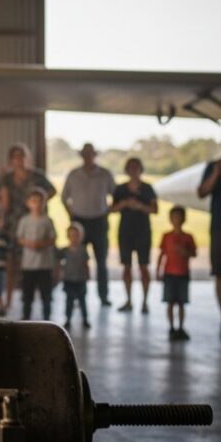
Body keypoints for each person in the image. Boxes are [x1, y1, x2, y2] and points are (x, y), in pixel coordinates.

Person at [0, 143, 56, 310]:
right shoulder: (6, 178)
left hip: (34, 223)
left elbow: (52, 190)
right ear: (11, 160)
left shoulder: (37, 176)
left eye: (21, 156)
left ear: (26, 158)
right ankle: (8, 299)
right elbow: (1, 199)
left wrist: (38, 204)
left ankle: (35, 300)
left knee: (34, 263)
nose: (18, 160)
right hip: (13, 224)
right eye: (14, 157)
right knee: (11, 263)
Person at [60, 143, 115, 307]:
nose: (88, 156)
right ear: (82, 156)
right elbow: (64, 197)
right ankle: (77, 296)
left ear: (94, 155)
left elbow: (115, 195)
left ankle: (103, 296)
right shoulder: (73, 174)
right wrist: (71, 215)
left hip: (99, 221)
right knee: (76, 260)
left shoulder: (105, 174)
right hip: (79, 222)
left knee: (101, 263)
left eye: (90, 153)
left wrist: (107, 211)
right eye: (85, 154)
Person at [111, 157, 158, 313]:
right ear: (127, 170)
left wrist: (139, 206)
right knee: (127, 266)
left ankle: (145, 301)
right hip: (125, 231)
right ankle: (129, 300)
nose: (133, 170)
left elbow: (154, 209)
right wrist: (124, 204)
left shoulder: (147, 188)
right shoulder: (120, 189)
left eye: (136, 167)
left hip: (143, 231)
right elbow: (112, 209)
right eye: (130, 167)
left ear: (140, 169)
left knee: (144, 266)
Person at [157, 206, 197, 341]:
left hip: (182, 273)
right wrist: (158, 271)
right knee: (170, 302)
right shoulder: (166, 236)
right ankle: (171, 327)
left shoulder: (188, 237)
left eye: (179, 217)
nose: (177, 220)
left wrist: (184, 252)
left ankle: (180, 327)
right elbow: (161, 254)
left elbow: (193, 253)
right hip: (169, 273)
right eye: (174, 217)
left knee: (181, 303)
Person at [17, 188, 56, 321]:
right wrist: (30, 244)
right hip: (28, 265)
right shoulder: (24, 220)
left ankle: (47, 317)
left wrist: (41, 244)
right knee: (27, 294)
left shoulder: (47, 221)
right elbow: (20, 237)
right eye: (34, 201)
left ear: (44, 203)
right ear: (28, 203)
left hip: (44, 265)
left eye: (40, 201)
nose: (37, 204)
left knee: (46, 294)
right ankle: (26, 316)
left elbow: (53, 238)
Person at [197, 158, 221, 331]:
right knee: (219, 273)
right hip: (219, 227)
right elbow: (202, 192)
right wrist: (216, 173)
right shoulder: (213, 166)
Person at [60, 222, 90, 330]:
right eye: (71, 235)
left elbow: (86, 264)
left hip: (80, 279)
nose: (74, 238)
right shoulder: (65, 251)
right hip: (69, 279)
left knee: (82, 301)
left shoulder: (83, 250)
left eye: (76, 235)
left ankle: (85, 319)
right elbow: (60, 264)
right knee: (69, 301)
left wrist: (87, 275)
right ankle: (68, 319)